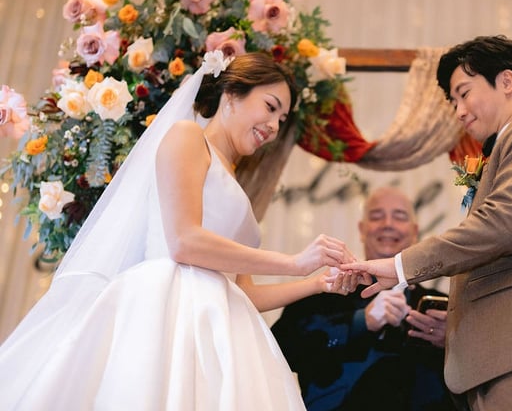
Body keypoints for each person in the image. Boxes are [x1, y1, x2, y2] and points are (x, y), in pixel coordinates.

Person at [0, 51, 365, 410]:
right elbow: (184, 241)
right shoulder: (188, 137)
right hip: (166, 307)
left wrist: (317, 283)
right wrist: (295, 263)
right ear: (232, 94)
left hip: (221, 320)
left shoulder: (234, 179)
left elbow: (244, 292)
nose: (273, 126)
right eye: (270, 107)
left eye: (281, 120)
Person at [342, 36, 512, 410]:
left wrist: (400, 267)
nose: (459, 111)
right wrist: (459, 333)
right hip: (504, 361)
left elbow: (500, 227)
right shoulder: (509, 147)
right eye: (453, 101)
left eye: (464, 93)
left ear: (506, 81)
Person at [271, 186, 457, 410]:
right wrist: (360, 322)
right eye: (377, 216)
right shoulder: (326, 290)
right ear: (362, 229)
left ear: (414, 231)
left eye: (399, 217)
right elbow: (281, 349)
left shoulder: (445, 307)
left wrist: (452, 343)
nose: (388, 224)